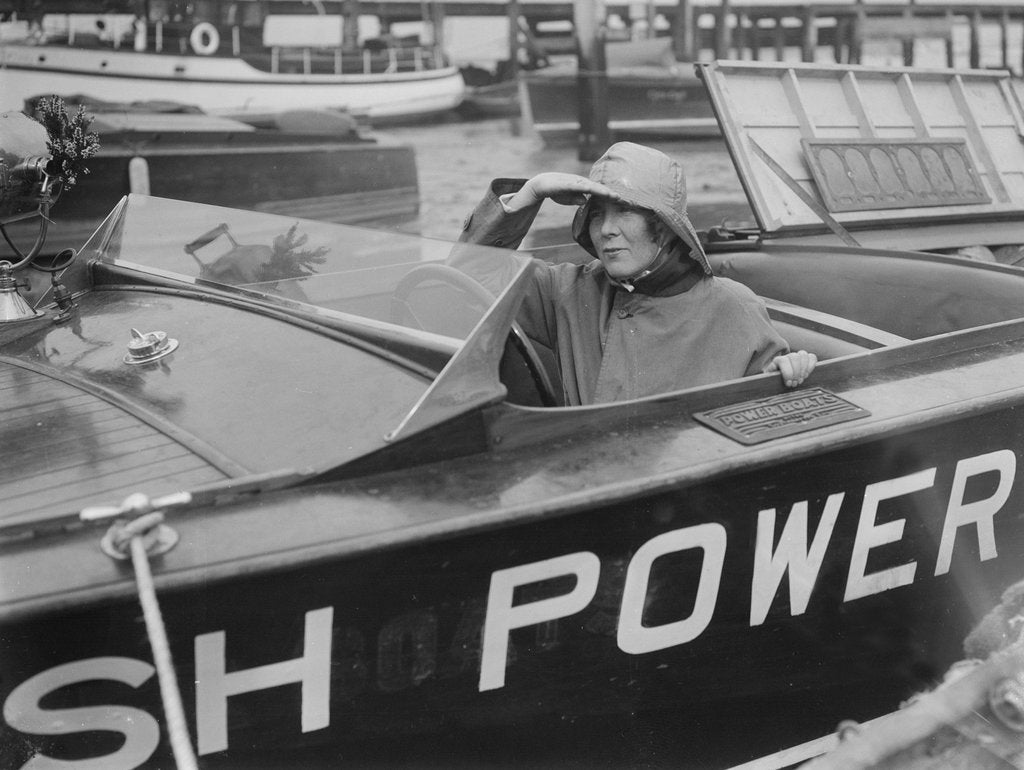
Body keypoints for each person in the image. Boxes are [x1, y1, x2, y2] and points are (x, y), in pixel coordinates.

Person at [456, 141, 817, 406]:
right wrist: (530, 194)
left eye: (624, 212)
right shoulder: (567, 291)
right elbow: (467, 274)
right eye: (597, 214)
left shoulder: (735, 306)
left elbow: (768, 408)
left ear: (662, 227)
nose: (606, 230)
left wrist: (788, 371)